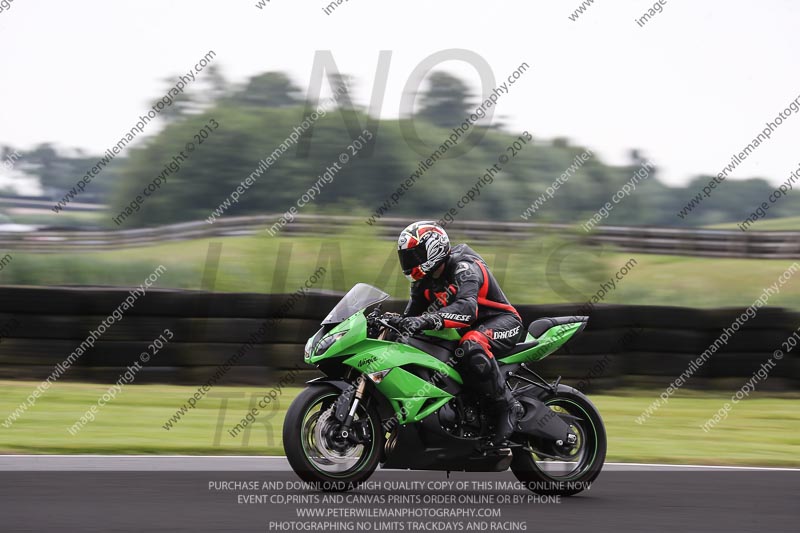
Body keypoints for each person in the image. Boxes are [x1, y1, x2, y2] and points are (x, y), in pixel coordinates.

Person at [393, 220, 524, 447]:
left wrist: (427, 320)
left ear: (433, 249)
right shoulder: (423, 282)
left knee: (471, 344)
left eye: (414, 255)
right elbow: (411, 318)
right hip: (467, 329)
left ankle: (508, 407)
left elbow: (467, 309)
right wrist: (393, 322)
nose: (409, 262)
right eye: (406, 256)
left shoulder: (464, 267)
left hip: (502, 322)